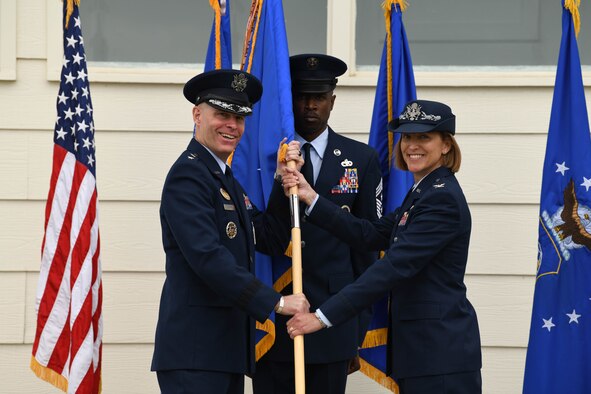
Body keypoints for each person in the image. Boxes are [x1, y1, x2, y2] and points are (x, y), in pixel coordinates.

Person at [284, 100, 482, 394]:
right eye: (408, 137)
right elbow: (369, 234)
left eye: (424, 137)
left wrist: (322, 317)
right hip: (424, 352)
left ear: (446, 146)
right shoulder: (422, 193)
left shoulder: (441, 199)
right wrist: (311, 197)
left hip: (439, 355)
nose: (412, 146)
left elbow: (392, 268)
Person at [150, 69, 309, 394]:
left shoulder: (224, 178)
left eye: (239, 117)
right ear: (197, 114)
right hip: (195, 353)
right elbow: (207, 257)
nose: (231, 125)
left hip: (223, 351)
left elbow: (268, 236)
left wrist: (281, 182)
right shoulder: (189, 176)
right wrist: (277, 303)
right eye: (221, 114)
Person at [252, 54, 383, 394]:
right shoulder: (265, 160)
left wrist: (355, 325)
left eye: (320, 97)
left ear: (333, 101)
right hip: (274, 318)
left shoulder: (362, 159)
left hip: (332, 319)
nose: (310, 105)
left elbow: (367, 246)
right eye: (302, 96)